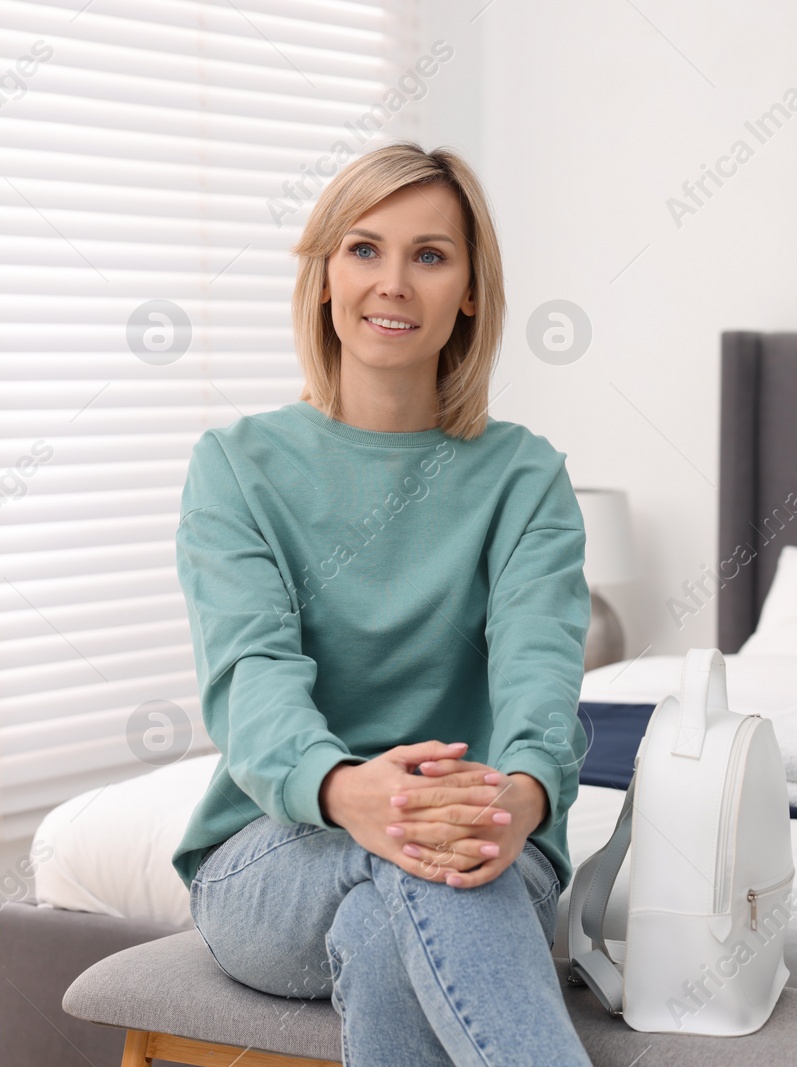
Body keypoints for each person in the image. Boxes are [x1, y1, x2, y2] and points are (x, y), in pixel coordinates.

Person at [169, 141, 595, 1066]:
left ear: (470, 292)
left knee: (387, 924)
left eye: (430, 256)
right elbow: (253, 678)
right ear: (325, 275)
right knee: (421, 861)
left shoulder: (525, 478)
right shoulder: (238, 466)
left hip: (488, 832)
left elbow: (541, 677)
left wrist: (521, 795)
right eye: (364, 249)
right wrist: (351, 790)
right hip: (279, 845)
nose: (393, 283)